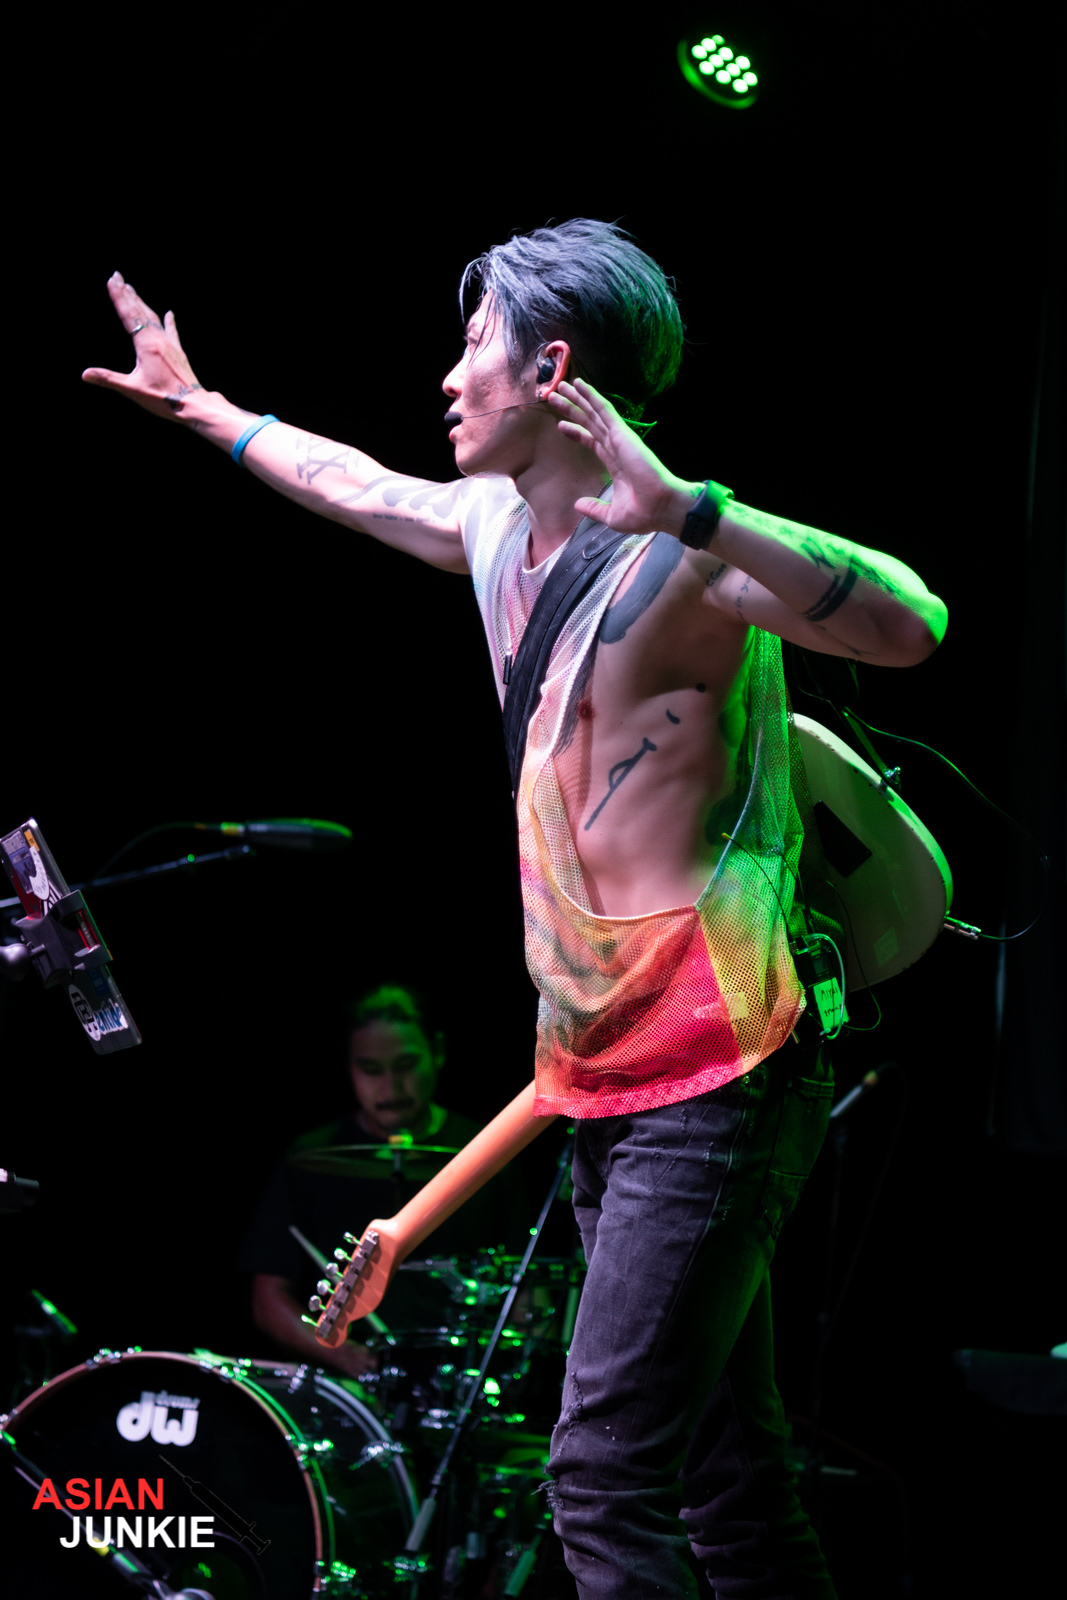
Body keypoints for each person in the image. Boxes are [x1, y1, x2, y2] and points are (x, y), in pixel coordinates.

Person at [85, 220, 947, 1598]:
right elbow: (356, 482)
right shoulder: (492, 525)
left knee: (600, 1481)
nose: (445, 377)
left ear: (550, 369)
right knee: (731, 1482)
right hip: (609, 1077)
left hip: (717, 1078)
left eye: (470, 345)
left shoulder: (685, 562)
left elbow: (910, 624)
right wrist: (203, 409)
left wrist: (693, 509)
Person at [239, 984, 527, 1381]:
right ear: (349, 1066)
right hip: (345, 1385)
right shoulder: (310, 1158)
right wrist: (350, 1359)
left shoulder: (489, 1151)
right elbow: (268, 1298)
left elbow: (530, 1293)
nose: (391, 1088)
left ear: (437, 1052)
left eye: (406, 1065)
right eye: (371, 1070)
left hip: (463, 1384)